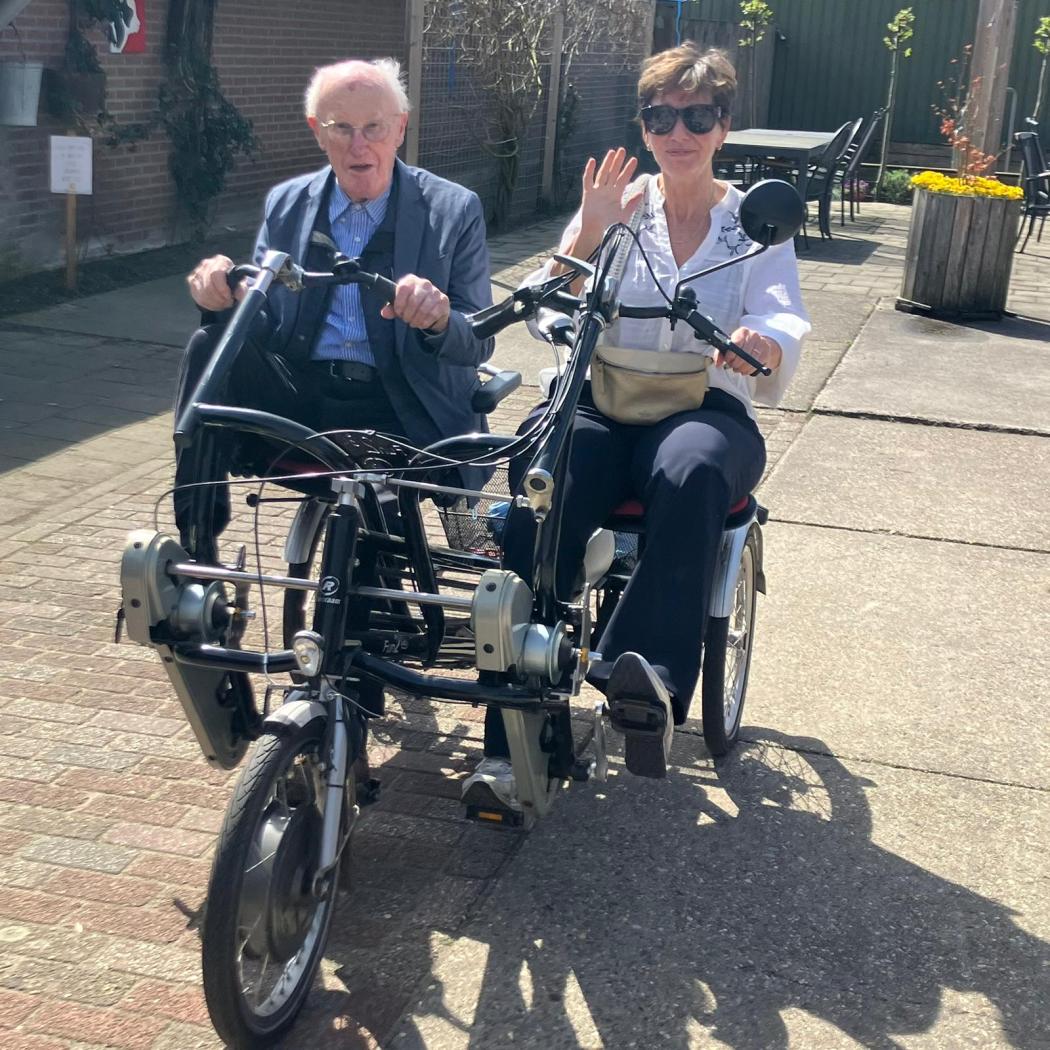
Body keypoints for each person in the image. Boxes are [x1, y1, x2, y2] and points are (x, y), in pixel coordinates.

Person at [462, 43, 810, 808]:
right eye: (661, 117)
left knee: (692, 471)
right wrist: (584, 237)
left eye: (698, 117)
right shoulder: (618, 205)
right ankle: (511, 744)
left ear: (724, 126)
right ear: (645, 127)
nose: (678, 133)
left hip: (703, 405)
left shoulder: (753, 224)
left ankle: (645, 674)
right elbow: (544, 305)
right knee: (544, 486)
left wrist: (763, 342)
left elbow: (782, 314)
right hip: (602, 397)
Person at [173, 57, 495, 550]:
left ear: (400, 128)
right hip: (306, 401)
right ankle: (196, 552)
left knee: (371, 560)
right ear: (317, 132)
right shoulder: (286, 204)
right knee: (208, 342)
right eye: (341, 128)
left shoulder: (454, 209)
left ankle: (378, 581)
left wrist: (439, 318)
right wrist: (223, 294)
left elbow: (479, 339)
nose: (358, 145)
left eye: (373, 127)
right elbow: (263, 324)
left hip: (402, 408)